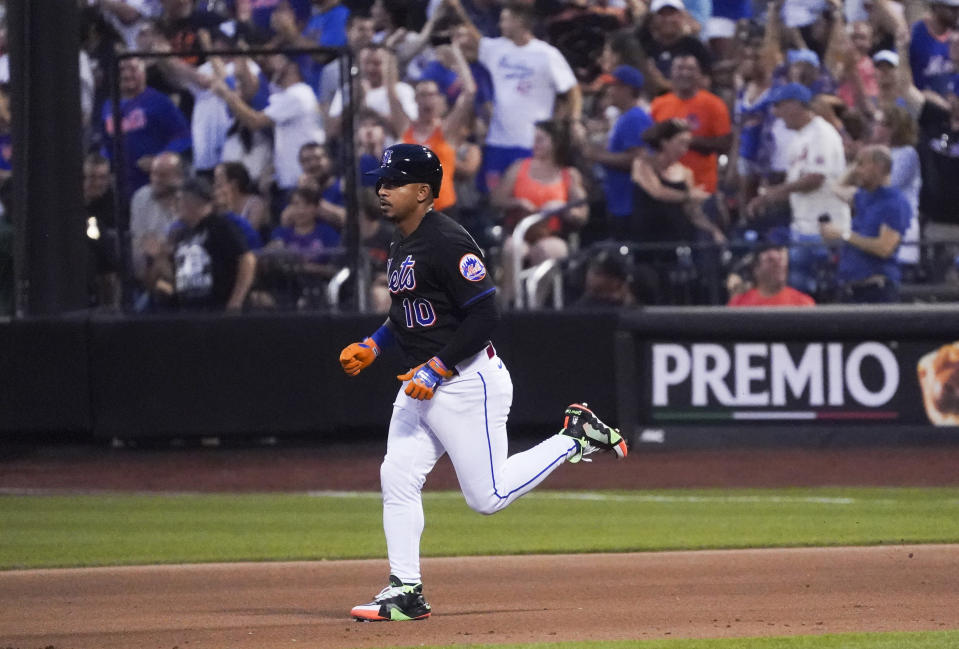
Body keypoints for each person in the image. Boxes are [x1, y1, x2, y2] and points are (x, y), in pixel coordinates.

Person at [339, 143, 627, 622]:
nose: (382, 190)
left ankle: (573, 437)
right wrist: (374, 343)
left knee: (486, 498)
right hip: (420, 383)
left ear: (424, 192)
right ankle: (405, 590)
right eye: (382, 181)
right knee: (397, 476)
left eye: (394, 182)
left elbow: (486, 316)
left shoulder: (447, 240)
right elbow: (406, 312)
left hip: (467, 381)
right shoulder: (401, 241)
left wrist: (438, 368)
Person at [449, 0, 582, 192]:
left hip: (532, 143)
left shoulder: (547, 54)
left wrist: (573, 120)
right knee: (493, 196)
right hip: (498, 141)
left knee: (526, 195)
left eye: (505, 19)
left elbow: (571, 90)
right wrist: (457, 8)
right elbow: (472, 35)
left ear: (520, 22)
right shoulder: (496, 49)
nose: (500, 24)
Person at [747, 82, 849, 296]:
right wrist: (770, 196)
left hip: (824, 229)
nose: (776, 113)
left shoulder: (821, 133)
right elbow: (796, 181)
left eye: (780, 106)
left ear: (796, 105)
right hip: (802, 227)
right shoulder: (800, 137)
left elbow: (816, 178)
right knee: (798, 293)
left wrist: (774, 193)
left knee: (818, 295)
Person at [492, 120, 589, 306]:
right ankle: (510, 302)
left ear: (556, 143)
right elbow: (497, 199)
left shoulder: (569, 175)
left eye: (541, 140)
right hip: (520, 231)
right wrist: (516, 202)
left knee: (549, 250)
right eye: (534, 140)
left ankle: (535, 305)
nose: (535, 145)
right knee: (514, 249)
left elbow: (582, 213)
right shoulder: (520, 167)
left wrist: (562, 209)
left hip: (550, 233)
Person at [213, 53, 324, 196]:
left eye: (277, 57)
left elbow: (255, 122)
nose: (270, 61)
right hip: (290, 180)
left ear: (292, 66)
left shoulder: (298, 93)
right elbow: (245, 80)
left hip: (301, 181)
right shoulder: (286, 93)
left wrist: (226, 95)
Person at [144, 177, 256, 312]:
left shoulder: (221, 226)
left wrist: (236, 301)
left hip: (219, 311)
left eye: (179, 199)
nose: (174, 204)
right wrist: (158, 258)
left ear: (195, 200)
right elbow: (170, 284)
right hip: (190, 314)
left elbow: (247, 259)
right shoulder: (179, 235)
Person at [821, 144, 909, 302]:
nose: (856, 170)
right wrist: (855, 166)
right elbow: (836, 188)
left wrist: (843, 235)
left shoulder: (894, 202)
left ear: (879, 167)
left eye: (861, 164)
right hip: (851, 288)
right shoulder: (863, 196)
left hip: (876, 290)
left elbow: (884, 248)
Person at [577, 65, 654, 237]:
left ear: (628, 89)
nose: (609, 91)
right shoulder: (624, 117)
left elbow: (638, 160)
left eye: (614, 86)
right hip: (619, 200)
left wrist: (598, 155)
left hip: (629, 203)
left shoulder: (634, 118)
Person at [100, 57, 191, 198]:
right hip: (120, 187)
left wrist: (158, 159)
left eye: (133, 69)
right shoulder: (108, 106)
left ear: (144, 73)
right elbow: (106, 144)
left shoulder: (160, 102)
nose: (126, 74)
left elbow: (184, 137)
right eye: (121, 70)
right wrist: (106, 165)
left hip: (153, 185)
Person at [650, 53, 732, 195]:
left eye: (690, 69)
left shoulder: (714, 104)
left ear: (699, 74)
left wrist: (685, 140)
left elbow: (725, 144)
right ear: (671, 73)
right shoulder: (658, 104)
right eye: (680, 68)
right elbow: (650, 139)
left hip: (701, 187)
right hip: (665, 187)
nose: (685, 73)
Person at [129, 151, 185, 288]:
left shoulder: (188, 199)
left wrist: (163, 249)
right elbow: (141, 241)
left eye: (163, 176)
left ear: (179, 178)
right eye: (153, 174)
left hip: (179, 267)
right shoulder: (141, 197)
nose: (156, 180)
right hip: (146, 269)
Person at [727, 241, 816, 306]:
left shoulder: (802, 303)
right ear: (755, 268)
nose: (779, 265)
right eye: (771, 261)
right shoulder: (740, 303)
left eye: (781, 260)